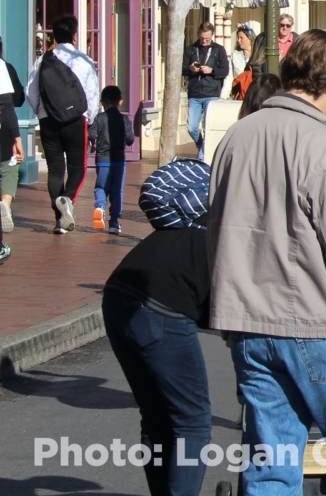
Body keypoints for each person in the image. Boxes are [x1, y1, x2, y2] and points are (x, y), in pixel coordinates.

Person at [209, 29, 326, 492]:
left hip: (251, 325)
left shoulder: (236, 138)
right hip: (317, 325)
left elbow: (215, 234)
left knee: (271, 460)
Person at [103, 160, 213, 496]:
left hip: (119, 292)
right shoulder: (240, 228)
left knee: (156, 416)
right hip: (163, 308)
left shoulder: (200, 221)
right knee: (191, 421)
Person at [26, 14, 101, 231]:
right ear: (74, 35)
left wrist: (41, 112)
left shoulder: (43, 60)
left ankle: (59, 220)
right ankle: (67, 200)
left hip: (48, 120)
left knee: (55, 169)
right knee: (78, 167)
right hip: (76, 121)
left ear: (54, 36)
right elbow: (92, 94)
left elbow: (31, 91)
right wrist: (90, 117)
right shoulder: (83, 60)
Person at [91, 86, 133, 233]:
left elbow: (92, 135)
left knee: (101, 187)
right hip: (119, 161)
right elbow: (130, 140)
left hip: (103, 159)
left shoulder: (99, 118)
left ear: (103, 102)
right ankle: (114, 222)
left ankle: (100, 206)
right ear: (119, 102)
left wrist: (93, 143)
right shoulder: (124, 119)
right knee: (117, 191)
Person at [183, 22, 228, 156]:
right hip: (194, 93)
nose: (204, 41)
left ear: (212, 35)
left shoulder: (219, 50)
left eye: (207, 39)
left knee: (208, 127)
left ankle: (203, 155)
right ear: (198, 34)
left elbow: (224, 71)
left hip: (212, 93)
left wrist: (212, 70)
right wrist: (190, 69)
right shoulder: (191, 49)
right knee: (192, 127)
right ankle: (202, 146)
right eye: (202, 38)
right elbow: (182, 69)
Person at [0, 36, 21, 241]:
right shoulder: (3, 67)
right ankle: (5, 203)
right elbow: (9, 105)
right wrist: (18, 138)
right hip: (3, 129)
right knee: (9, 166)